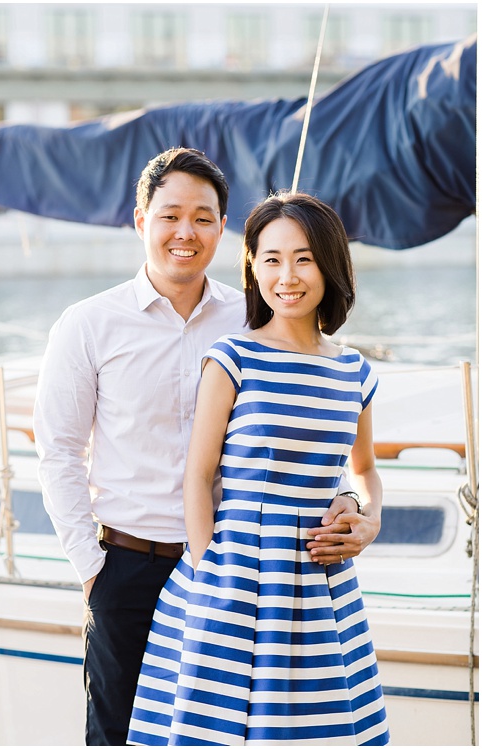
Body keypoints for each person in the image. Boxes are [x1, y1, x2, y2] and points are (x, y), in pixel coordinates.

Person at [32, 148, 380, 745]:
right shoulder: (88, 323)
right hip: (130, 564)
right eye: (170, 215)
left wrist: (350, 499)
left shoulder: (250, 321)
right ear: (141, 221)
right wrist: (94, 573)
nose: (185, 232)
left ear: (223, 228)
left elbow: (302, 432)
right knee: (118, 735)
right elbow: (59, 452)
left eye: (203, 217)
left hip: (248, 576)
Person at [128, 191, 389, 745]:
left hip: (321, 585)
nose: (287, 275)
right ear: (253, 267)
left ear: (331, 264)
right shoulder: (232, 357)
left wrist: (368, 518)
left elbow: (364, 470)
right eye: (271, 259)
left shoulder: (355, 373)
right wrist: (208, 573)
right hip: (234, 580)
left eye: (304, 257)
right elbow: (198, 477)